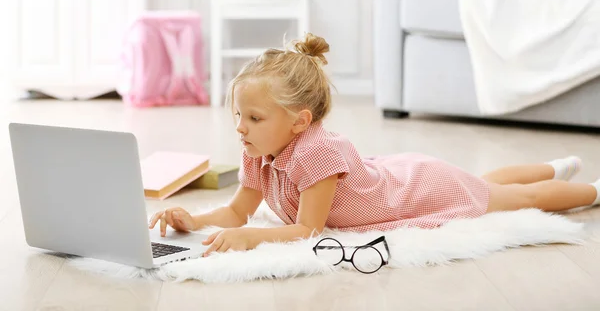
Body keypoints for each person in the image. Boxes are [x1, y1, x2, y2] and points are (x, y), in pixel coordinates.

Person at [148, 33, 599, 257]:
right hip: (397, 173)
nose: (241, 128)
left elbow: (308, 231)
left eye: (254, 118)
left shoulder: (315, 153)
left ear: (299, 122)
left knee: (516, 200)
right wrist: (195, 220)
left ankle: (591, 190)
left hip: (418, 189)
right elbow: (235, 212)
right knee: (480, 184)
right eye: (238, 116)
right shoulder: (259, 156)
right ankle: (554, 165)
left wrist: (247, 240)